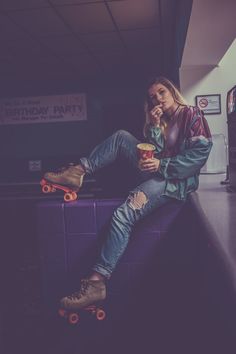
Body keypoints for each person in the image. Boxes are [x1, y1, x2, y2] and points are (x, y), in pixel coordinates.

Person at [43, 76, 212, 311]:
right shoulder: (162, 120)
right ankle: (77, 172)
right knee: (122, 137)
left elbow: (199, 156)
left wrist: (160, 166)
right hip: (158, 172)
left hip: (175, 182)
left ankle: (96, 284)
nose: (158, 99)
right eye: (152, 97)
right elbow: (156, 152)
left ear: (172, 92)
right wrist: (153, 127)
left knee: (124, 214)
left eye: (162, 92)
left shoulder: (192, 114)